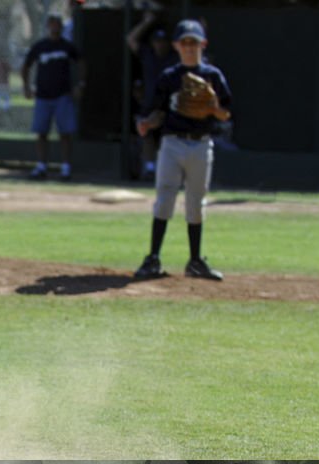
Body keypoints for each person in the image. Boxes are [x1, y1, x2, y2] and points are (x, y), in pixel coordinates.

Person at [133, 20, 232, 282]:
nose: (189, 47)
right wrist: (146, 123)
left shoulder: (213, 76)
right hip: (172, 143)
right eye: (184, 42)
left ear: (203, 44)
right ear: (176, 46)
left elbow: (225, 114)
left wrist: (212, 107)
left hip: (201, 143)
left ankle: (195, 261)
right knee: (164, 199)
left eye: (194, 42)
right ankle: (153, 258)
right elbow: (158, 112)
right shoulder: (169, 77)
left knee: (196, 204)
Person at [21, 14, 86, 181]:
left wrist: (80, 84)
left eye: (57, 24)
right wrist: (26, 87)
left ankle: (65, 168)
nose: (54, 28)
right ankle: (41, 166)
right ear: (47, 26)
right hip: (43, 96)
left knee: (65, 133)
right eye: (52, 24)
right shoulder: (40, 46)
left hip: (62, 96)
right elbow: (26, 66)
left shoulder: (67, 47)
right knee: (41, 132)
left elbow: (81, 62)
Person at [127, 11, 178, 181]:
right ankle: (150, 168)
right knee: (146, 132)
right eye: (157, 42)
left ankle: (169, 170)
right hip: (149, 102)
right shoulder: (147, 54)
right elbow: (131, 40)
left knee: (169, 138)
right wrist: (146, 22)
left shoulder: (174, 58)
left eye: (163, 42)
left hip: (169, 104)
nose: (160, 45)